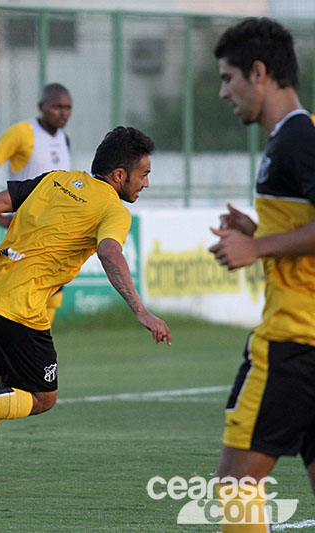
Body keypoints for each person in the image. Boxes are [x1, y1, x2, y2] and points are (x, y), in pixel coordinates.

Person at [0, 126, 171, 490]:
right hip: (20, 305)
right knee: (42, 399)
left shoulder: (56, 179)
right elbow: (110, 252)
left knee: (8, 395)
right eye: (143, 174)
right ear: (119, 175)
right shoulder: (113, 210)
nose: (146, 183)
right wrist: (140, 310)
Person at [208, 18, 315, 531]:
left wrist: (256, 246)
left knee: (234, 485)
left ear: (258, 72)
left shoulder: (297, 139)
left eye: (228, 78)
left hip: (293, 341)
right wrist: (257, 230)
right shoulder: (293, 137)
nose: (223, 92)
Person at [0, 82, 73, 326]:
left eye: (67, 108)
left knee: (52, 296)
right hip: (27, 230)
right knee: (23, 298)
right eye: (57, 107)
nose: (63, 113)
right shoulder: (22, 132)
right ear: (41, 106)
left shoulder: (64, 139)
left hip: (56, 230)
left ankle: (41, 347)